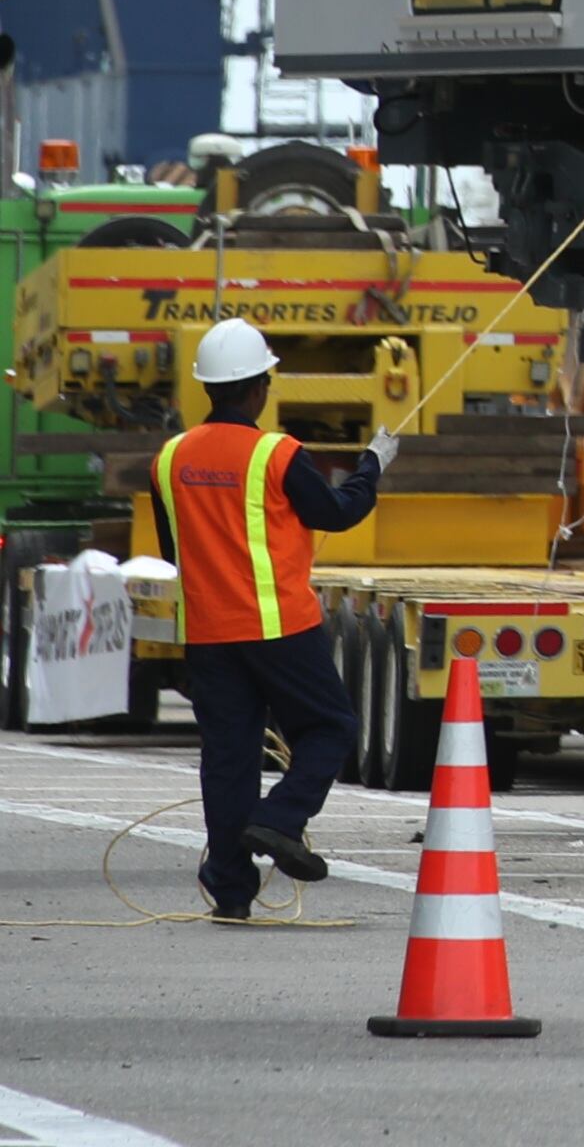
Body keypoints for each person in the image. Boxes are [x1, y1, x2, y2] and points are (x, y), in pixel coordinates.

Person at [147, 317, 388, 920]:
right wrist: (373, 466)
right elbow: (337, 512)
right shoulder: (276, 454)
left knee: (228, 759)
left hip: (208, 635)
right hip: (278, 627)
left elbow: (175, 550)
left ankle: (231, 894)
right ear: (260, 387)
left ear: (209, 387)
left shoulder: (169, 459)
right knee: (330, 727)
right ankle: (280, 819)